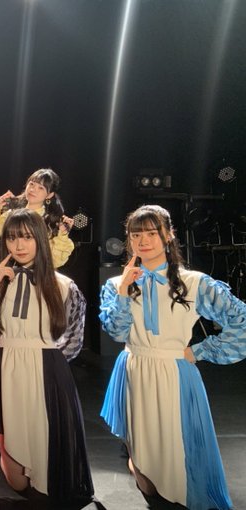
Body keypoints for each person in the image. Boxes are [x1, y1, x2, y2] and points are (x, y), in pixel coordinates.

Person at [100, 204, 245, 510]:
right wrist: (124, 290)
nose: (143, 240)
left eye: (151, 233)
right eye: (135, 234)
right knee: (143, 466)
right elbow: (116, 332)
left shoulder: (194, 282)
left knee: (177, 457)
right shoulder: (116, 284)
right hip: (133, 370)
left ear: (168, 235)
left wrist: (200, 350)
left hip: (175, 373)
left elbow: (240, 321)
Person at [0, 209, 93, 501]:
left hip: (47, 370)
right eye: (12, 238)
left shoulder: (64, 285)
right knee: (17, 481)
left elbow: (74, 338)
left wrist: (52, 367)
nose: (19, 245)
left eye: (27, 237)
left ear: (40, 239)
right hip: (7, 367)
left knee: (46, 470)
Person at [0, 168, 74, 268]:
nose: (33, 189)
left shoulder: (50, 221)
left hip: (37, 273)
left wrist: (63, 235)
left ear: (49, 195)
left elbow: (54, 260)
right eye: (32, 184)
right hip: (11, 270)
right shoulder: (13, 213)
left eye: (41, 188)